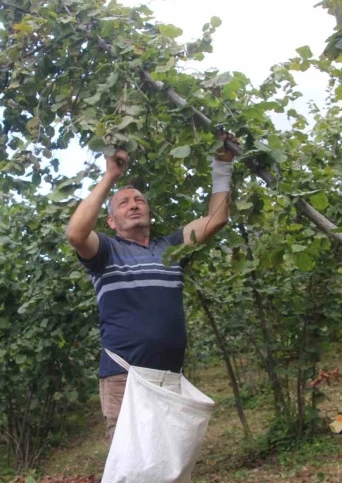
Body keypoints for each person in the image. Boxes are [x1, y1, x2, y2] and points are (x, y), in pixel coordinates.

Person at [65, 131, 238, 440]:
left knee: (167, 466)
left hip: (170, 379)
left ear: (148, 212)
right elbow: (76, 233)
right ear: (112, 222)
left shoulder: (170, 249)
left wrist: (222, 166)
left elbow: (216, 219)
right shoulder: (106, 252)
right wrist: (110, 177)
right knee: (133, 469)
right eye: (123, 203)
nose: (134, 205)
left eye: (139, 201)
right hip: (125, 380)